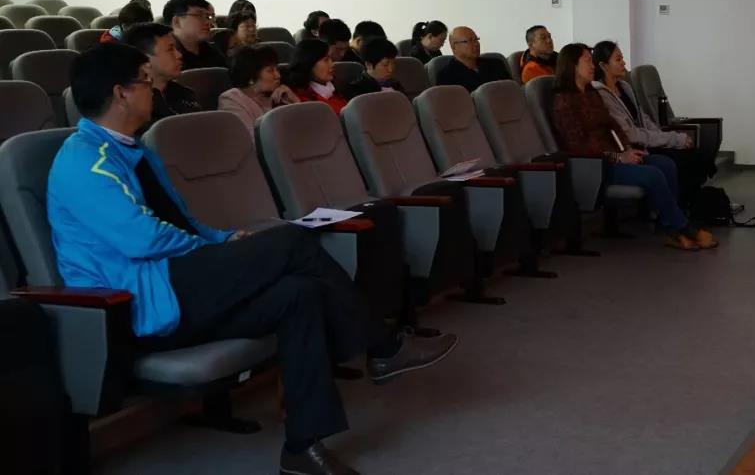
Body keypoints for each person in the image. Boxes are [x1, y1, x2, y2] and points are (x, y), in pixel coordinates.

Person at [50, 43, 457, 475]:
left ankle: (303, 447)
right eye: (144, 81)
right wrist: (216, 252)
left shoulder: (135, 151)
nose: (151, 89)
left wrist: (223, 239)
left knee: (299, 294)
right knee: (292, 242)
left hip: (175, 285)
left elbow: (182, 222)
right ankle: (383, 346)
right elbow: (142, 239)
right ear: (120, 93)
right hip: (143, 303)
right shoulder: (85, 161)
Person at [551, 43, 717, 251]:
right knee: (653, 174)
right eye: (587, 61)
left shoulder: (591, 94)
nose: (592, 65)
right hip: (597, 166)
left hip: (616, 156)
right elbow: (578, 147)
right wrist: (618, 157)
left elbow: (614, 128)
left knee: (665, 164)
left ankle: (670, 226)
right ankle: (681, 228)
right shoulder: (565, 103)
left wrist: (626, 150)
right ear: (572, 66)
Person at [592, 40, 715, 208]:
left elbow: (643, 119)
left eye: (622, 58)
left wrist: (665, 136)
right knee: (676, 159)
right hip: (633, 147)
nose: (624, 63)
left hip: (646, 141)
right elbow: (631, 134)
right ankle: (675, 209)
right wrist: (672, 139)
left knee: (693, 154)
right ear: (603, 65)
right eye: (618, 59)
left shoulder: (625, 87)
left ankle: (689, 206)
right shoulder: (602, 94)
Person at [124, 23, 202, 124]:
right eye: (170, 49)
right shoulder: (129, 107)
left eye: (177, 48)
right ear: (145, 61)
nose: (179, 55)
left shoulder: (185, 95)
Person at [219, 45, 299, 136]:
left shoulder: (280, 96)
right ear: (252, 76)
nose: (278, 76)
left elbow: (306, 130)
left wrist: (295, 101)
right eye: (270, 71)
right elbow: (250, 139)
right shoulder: (231, 100)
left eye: (277, 69)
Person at [163, 0, 227, 70]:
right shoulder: (163, 58)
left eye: (208, 17)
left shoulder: (214, 53)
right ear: (177, 21)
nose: (208, 22)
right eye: (199, 15)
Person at [436, 26, 509, 92]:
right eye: (469, 41)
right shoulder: (446, 76)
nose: (476, 44)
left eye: (476, 39)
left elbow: (511, 90)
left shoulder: (496, 64)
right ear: (453, 47)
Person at [286, 39, 349, 114]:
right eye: (326, 60)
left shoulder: (336, 89)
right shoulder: (297, 98)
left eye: (331, 59)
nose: (332, 64)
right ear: (309, 63)